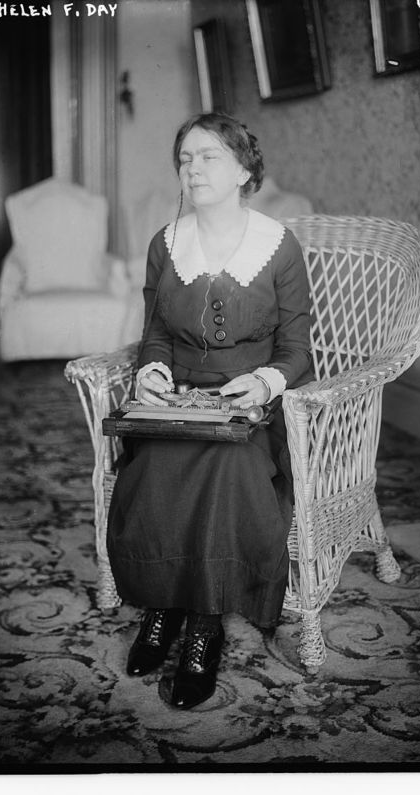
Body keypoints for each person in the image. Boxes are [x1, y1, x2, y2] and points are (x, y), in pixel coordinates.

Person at [107, 112, 313, 710]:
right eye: (185, 158)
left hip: (251, 407)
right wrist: (152, 369)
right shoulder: (165, 244)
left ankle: (203, 624)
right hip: (180, 401)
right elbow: (155, 334)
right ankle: (163, 608)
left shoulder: (277, 245)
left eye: (208, 157)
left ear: (244, 171)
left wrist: (265, 383)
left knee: (228, 469)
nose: (192, 169)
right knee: (152, 466)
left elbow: (298, 348)